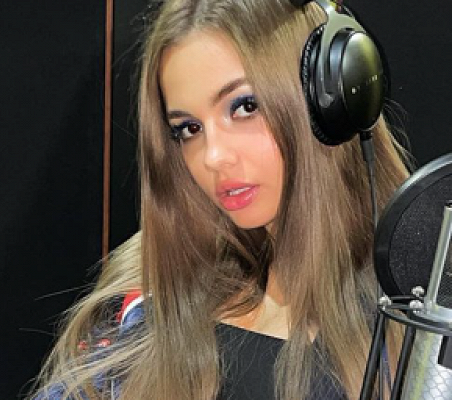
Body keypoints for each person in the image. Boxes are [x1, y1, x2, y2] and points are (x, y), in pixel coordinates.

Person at [30, 0, 410, 399]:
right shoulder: (145, 296)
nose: (212, 156)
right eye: (188, 129)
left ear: (332, 102)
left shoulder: (418, 319)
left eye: (245, 107)